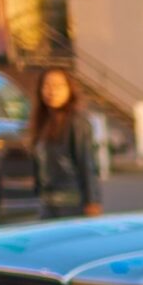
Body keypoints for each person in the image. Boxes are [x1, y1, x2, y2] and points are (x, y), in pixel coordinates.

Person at [27, 67, 100, 219]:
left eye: (59, 86)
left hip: (72, 204)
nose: (52, 91)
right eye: (47, 85)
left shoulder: (77, 122)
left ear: (69, 90)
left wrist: (92, 201)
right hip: (47, 205)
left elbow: (87, 163)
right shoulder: (42, 122)